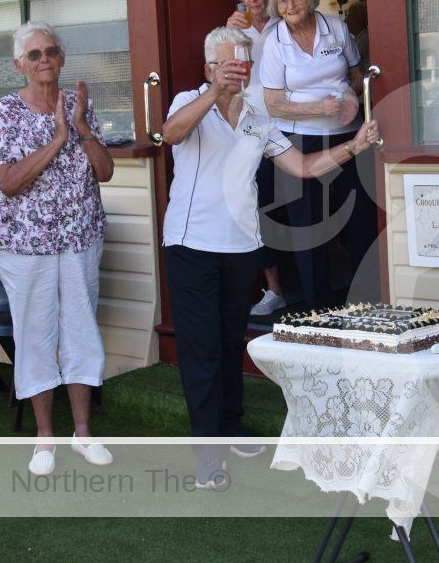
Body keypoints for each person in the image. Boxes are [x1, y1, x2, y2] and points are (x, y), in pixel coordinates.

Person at [162, 26, 380, 489]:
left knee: (228, 341)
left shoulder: (258, 114)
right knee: (201, 349)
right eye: (226, 62)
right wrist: (215, 93)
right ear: (208, 68)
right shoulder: (187, 101)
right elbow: (171, 135)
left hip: (241, 246)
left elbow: (302, 166)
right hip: (190, 245)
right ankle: (208, 453)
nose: (236, 67)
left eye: (242, 60)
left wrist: (353, 146)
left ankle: (231, 423)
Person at [0, 20, 115, 477]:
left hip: (79, 237)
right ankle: (44, 438)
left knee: (81, 330)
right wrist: (58, 140)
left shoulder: (80, 106)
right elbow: (11, 183)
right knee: (36, 336)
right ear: (20, 63)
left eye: (50, 52)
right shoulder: (4, 112)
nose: (43, 61)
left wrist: (80, 129)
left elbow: (105, 173)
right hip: (26, 245)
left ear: (61, 58)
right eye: (33, 54)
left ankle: (82, 433)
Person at [259, 0, 378, 310]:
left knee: (358, 222)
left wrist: (352, 96)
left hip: (348, 135)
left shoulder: (336, 29)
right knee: (308, 227)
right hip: (299, 141)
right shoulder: (274, 42)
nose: (290, 6)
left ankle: (366, 301)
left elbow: (360, 75)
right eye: (283, 1)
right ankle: (317, 308)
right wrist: (319, 108)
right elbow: (273, 102)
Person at [225, 0, 285, 317]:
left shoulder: (285, 22)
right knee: (256, 211)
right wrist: (229, 36)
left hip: (292, 126)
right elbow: (221, 75)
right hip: (251, 130)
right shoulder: (232, 31)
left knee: (294, 211)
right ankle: (274, 288)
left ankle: (310, 289)